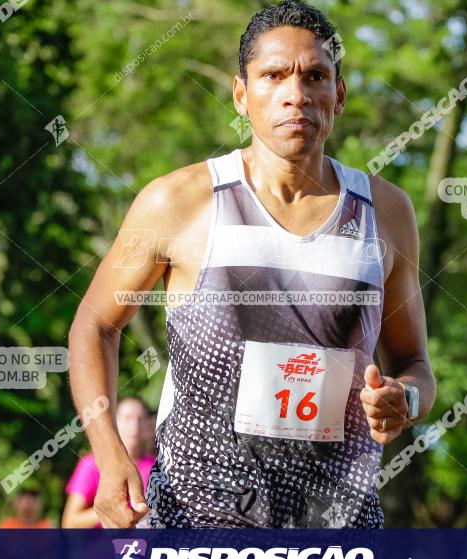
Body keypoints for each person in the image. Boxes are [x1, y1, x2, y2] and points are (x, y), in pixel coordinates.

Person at [67, 0, 435, 528]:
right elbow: (95, 324)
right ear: (241, 95)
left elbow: (415, 364)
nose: (296, 94)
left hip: (336, 521)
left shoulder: (388, 211)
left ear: (340, 95)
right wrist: (108, 455)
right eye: (273, 75)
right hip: (200, 514)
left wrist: (406, 398)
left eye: (315, 76)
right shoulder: (177, 201)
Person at [61, 397, 155, 528]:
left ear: (148, 424)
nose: (135, 426)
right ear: (115, 423)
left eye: (140, 419)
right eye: (128, 418)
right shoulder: (92, 464)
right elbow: (70, 522)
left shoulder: (157, 466)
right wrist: (108, 508)